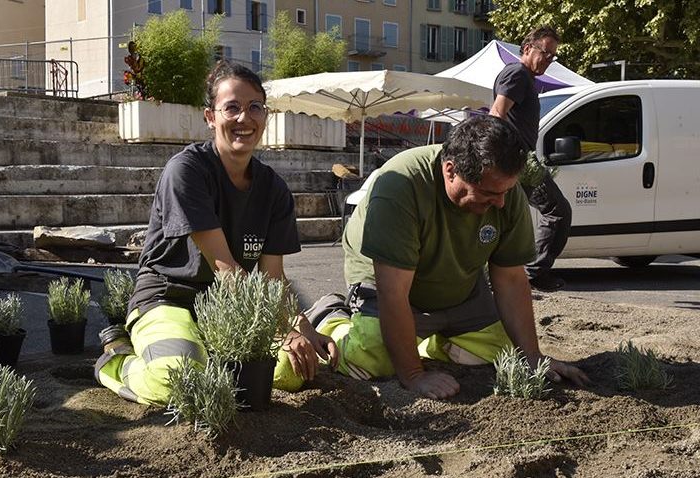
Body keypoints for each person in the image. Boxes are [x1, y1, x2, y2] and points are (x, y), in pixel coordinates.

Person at [94, 61, 338, 406]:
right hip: (169, 298)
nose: (244, 118)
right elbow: (226, 270)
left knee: (293, 371)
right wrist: (284, 332)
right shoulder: (187, 171)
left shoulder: (274, 190)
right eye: (232, 107)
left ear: (265, 116)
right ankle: (118, 359)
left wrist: (302, 327)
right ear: (211, 117)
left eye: (255, 107)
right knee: (180, 382)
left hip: (229, 311)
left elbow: (272, 279)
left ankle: (202, 350)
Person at [315, 115, 588, 399]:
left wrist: (533, 357)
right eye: (487, 192)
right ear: (450, 171)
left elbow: (510, 279)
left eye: (506, 191)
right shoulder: (400, 185)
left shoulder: (503, 191)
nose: (500, 203)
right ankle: (332, 317)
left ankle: (427, 340)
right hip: (388, 279)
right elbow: (393, 293)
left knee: (503, 353)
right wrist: (413, 376)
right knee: (373, 361)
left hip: (455, 283)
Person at [489, 25, 572, 292]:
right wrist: (503, 160)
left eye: (552, 56)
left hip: (519, 160)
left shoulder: (524, 78)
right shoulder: (517, 74)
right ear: (527, 49)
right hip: (518, 162)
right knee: (557, 211)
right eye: (545, 53)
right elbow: (496, 114)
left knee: (508, 221)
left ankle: (504, 277)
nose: (548, 60)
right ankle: (534, 273)